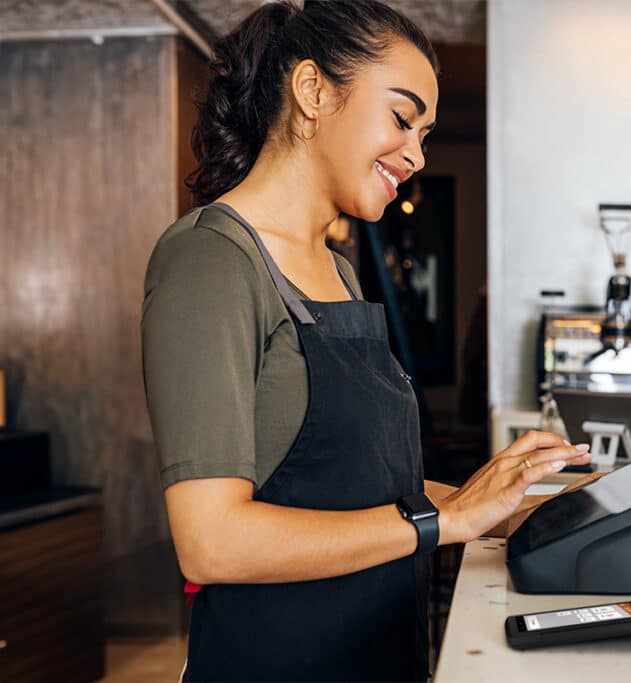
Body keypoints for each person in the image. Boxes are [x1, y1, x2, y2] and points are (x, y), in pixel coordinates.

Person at [140, 2, 591, 681]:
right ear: (313, 92)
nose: (416, 152)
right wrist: (447, 520)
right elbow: (211, 542)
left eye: (427, 132)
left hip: (379, 652)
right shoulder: (210, 259)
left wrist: (511, 506)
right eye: (403, 117)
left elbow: (365, 490)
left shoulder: (339, 271)